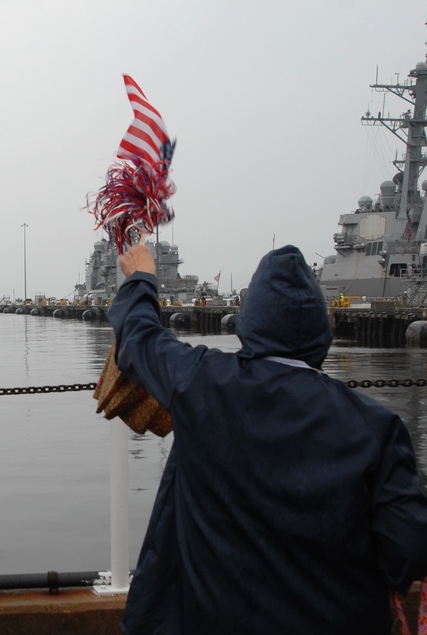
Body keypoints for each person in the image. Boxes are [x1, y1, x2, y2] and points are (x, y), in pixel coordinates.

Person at [109, 243, 427, 634]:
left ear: (250, 318)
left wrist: (141, 277)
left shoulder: (201, 382)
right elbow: (408, 552)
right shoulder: (377, 427)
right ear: (321, 327)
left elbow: (139, 337)